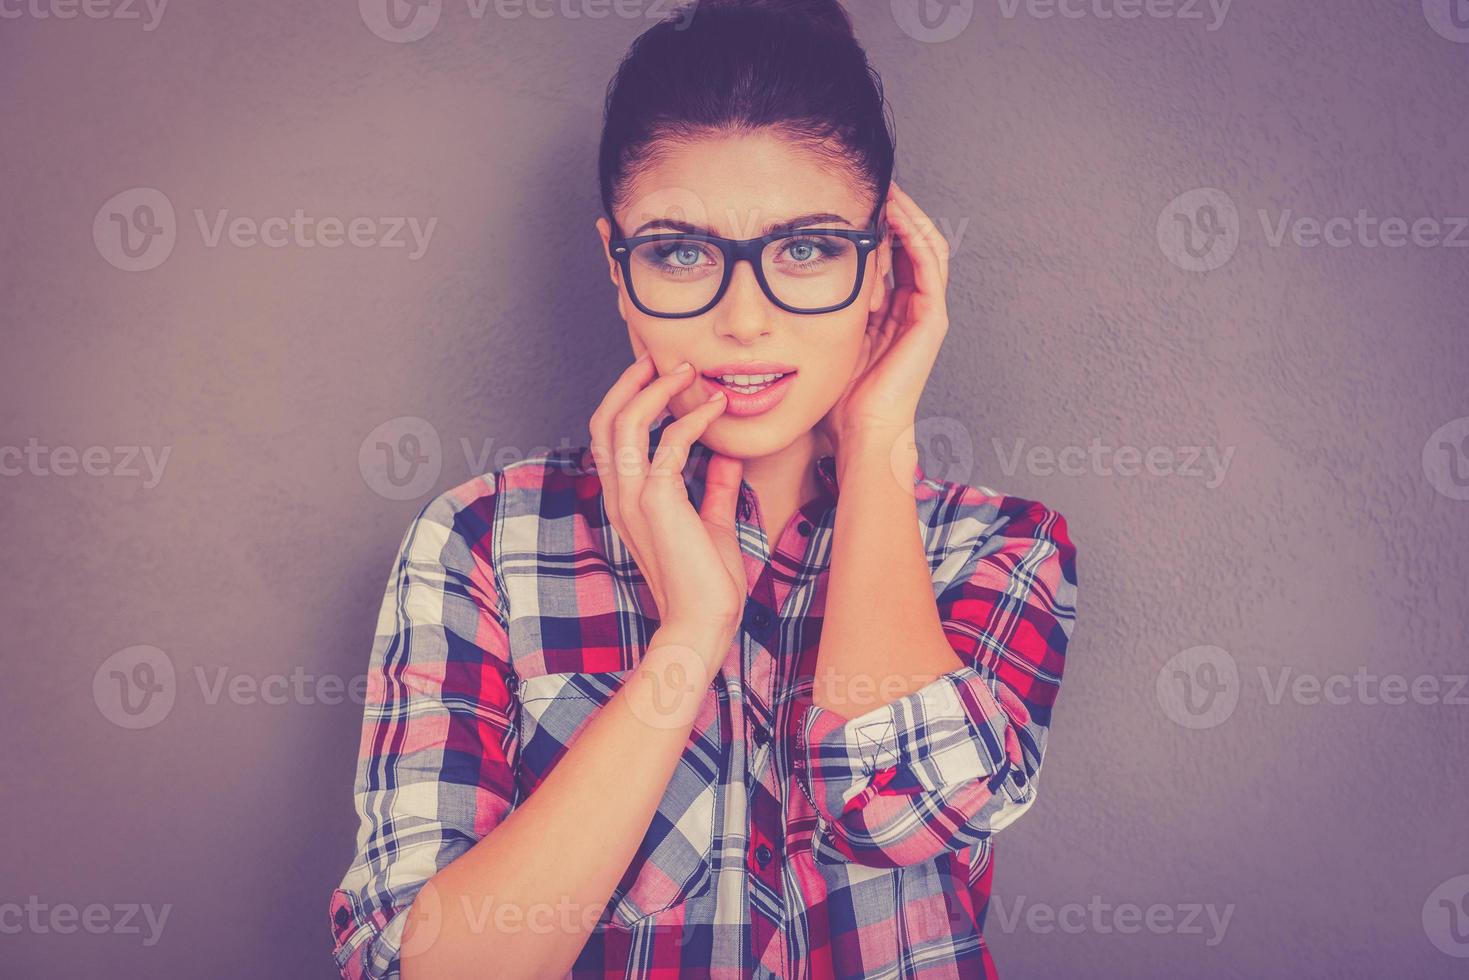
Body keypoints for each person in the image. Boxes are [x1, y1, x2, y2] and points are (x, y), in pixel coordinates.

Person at [329, 1, 1079, 976]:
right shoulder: (482, 544)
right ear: (617, 263)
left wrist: (877, 437)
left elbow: (896, 809)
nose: (743, 318)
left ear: (879, 267)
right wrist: (686, 639)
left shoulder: (996, 549)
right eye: (681, 252)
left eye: (806, 248)